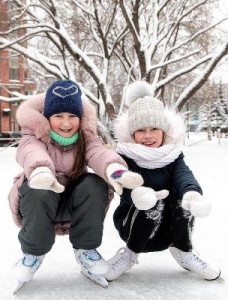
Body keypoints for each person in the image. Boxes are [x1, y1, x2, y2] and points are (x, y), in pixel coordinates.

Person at [8, 79, 144, 290]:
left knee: (94, 183)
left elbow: (97, 152)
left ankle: (86, 251)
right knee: (38, 189)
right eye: (58, 116)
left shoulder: (85, 137)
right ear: (47, 118)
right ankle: (32, 254)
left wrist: (115, 170)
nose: (66, 123)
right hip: (41, 201)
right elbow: (30, 151)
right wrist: (41, 170)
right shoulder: (34, 135)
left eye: (72, 116)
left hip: (74, 203)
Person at [104, 81, 221, 282]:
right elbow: (123, 183)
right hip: (135, 223)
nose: (148, 136)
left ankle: (184, 251)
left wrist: (192, 194)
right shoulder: (126, 156)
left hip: (169, 227)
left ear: (164, 130)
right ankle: (130, 255)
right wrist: (138, 195)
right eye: (141, 130)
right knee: (151, 203)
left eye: (154, 129)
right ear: (132, 133)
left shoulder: (172, 154)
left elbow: (183, 175)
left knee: (182, 201)